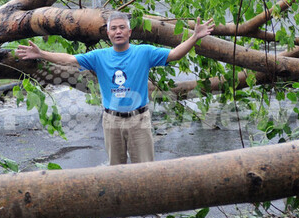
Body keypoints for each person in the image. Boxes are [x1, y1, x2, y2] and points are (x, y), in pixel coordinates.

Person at [15, 11, 214, 165]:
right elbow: (69, 59)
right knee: (116, 169)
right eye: (114, 28)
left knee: (145, 168)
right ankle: (122, 207)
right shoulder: (99, 56)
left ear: (129, 32)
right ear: (108, 33)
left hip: (138, 119)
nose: (118, 31)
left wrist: (195, 37)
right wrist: (41, 54)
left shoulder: (144, 52)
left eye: (122, 28)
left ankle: (147, 207)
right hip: (112, 120)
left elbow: (174, 55)